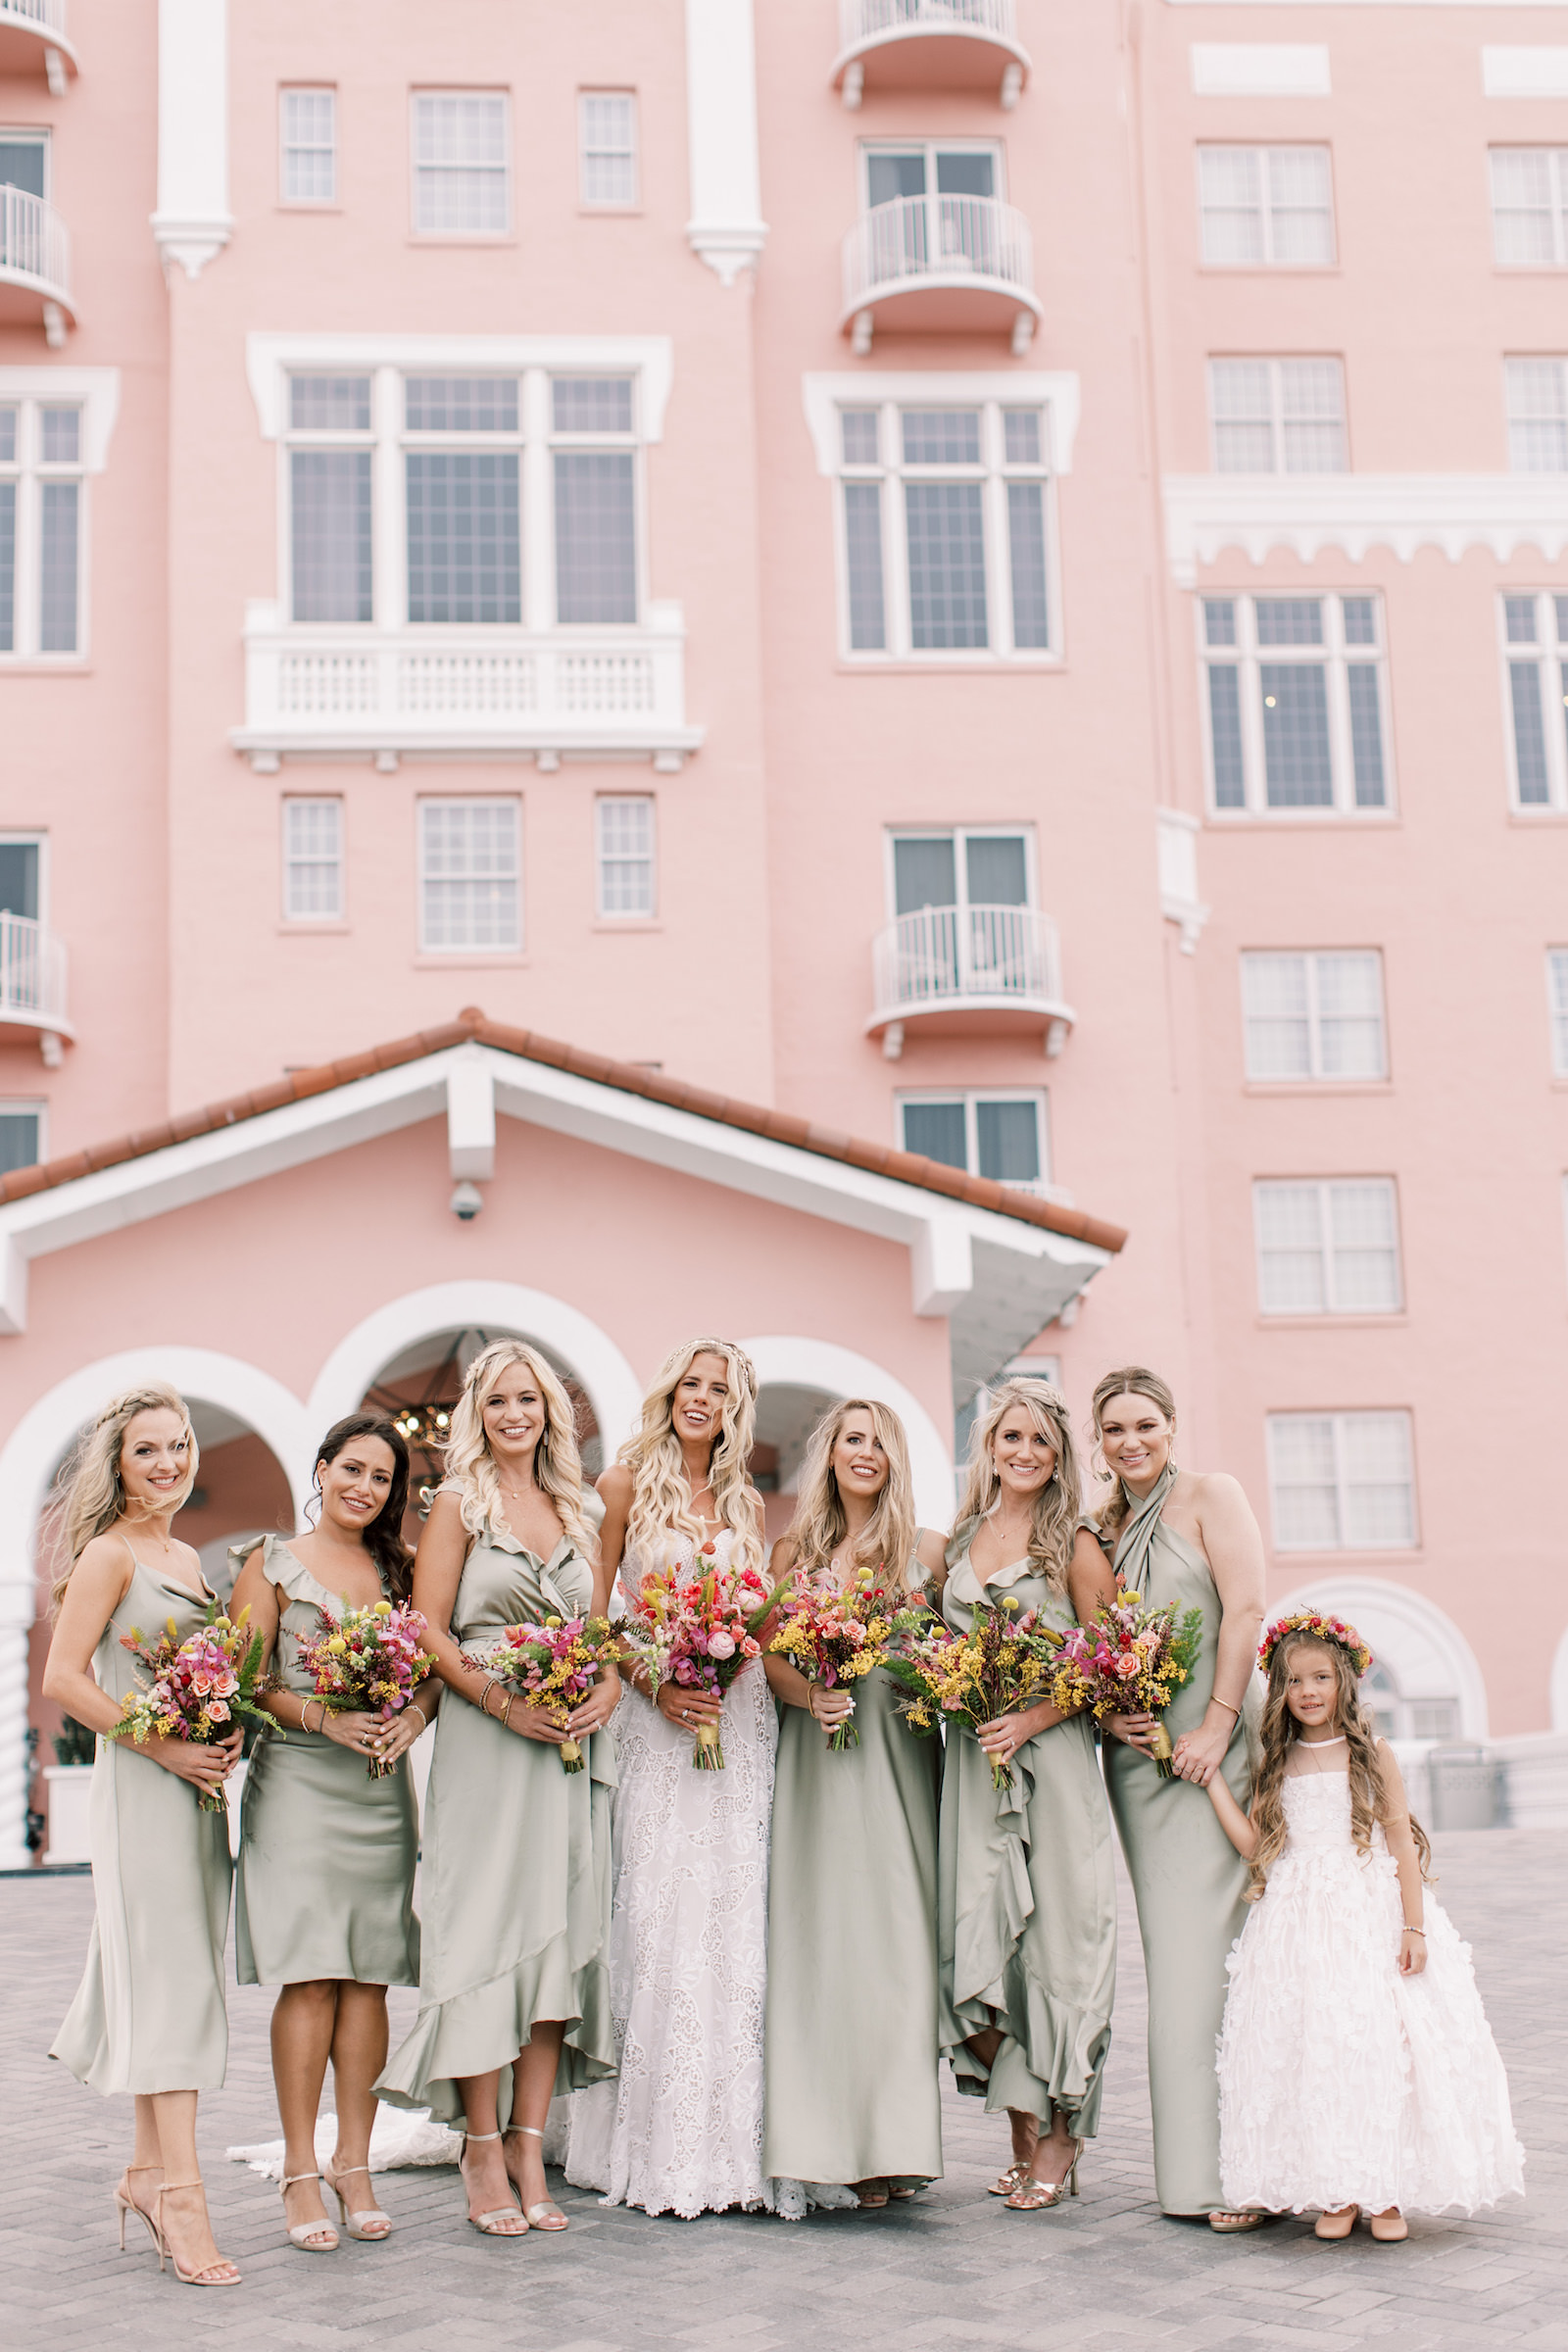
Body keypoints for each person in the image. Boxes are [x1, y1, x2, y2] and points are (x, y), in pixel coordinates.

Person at [376, 1341, 619, 2237]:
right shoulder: (457, 1504)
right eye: (497, 1401)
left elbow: (600, 1630)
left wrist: (606, 1683)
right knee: (481, 1937)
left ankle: (527, 2140)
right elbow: (429, 1630)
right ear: (476, 1414)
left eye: (529, 1398)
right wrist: (500, 1703)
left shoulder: (581, 1506)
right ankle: (480, 2147)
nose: (514, 1414)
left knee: (553, 1938)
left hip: (565, 1752)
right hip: (488, 1744)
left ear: (550, 1409)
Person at [1209, 1611, 1524, 2236]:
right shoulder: (1277, 1759)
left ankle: (1385, 2193)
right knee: (1318, 2048)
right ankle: (1337, 2191)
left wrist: (1413, 1928)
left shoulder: (1370, 1752)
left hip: (1366, 1912)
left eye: (1321, 1677)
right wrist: (1213, 1781)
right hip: (1298, 1921)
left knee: (1377, 2042)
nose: (1308, 1691)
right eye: (1295, 1681)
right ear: (1280, 1689)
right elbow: (1255, 1845)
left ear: (1344, 1680)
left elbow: (1401, 1841)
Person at [562, 1337, 784, 2218]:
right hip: (657, 1729)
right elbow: (592, 1618)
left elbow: (757, 1616)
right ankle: (641, 2140)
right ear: (669, 1394)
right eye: (691, 1385)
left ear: (738, 1407)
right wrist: (659, 1686)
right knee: (656, 1912)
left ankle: (732, 2140)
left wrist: (733, 1661)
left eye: (719, 1390)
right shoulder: (621, 1487)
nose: (702, 1400)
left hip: (739, 1727)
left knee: (733, 1914)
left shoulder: (747, 1503)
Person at [44, 1384, 242, 2287]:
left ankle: (144, 2174)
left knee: (181, 1978)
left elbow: (193, 1674)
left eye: (177, 1446)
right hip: (145, 1792)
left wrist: (226, 1731)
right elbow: (64, 1678)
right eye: (146, 1451)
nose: (167, 1463)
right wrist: (166, 1747)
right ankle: (184, 2201)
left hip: (196, 1798)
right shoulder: (111, 1554)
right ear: (118, 1466)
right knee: (170, 1991)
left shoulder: (186, 1554)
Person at [231, 1413, 434, 2253]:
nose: (364, 1487)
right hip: (299, 1789)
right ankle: (300, 2168)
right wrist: (323, 1717)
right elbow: (246, 1682)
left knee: (370, 1978)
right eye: (352, 1468)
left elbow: (434, 1674)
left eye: (382, 1478)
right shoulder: (269, 1561)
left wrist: (413, 1719)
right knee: (310, 1976)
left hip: (380, 1790)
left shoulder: (406, 1570)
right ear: (321, 1469)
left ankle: (356, 2163)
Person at [925, 1379, 1117, 2214]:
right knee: (988, 1940)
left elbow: (1114, 1663)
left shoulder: (1072, 1542)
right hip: (975, 1765)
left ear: (1058, 1453)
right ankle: (1020, 2134)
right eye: (1011, 1439)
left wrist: (1033, 1718)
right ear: (989, 1448)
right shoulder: (962, 1539)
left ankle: (1062, 2139)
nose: (1025, 1453)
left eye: (1040, 1441)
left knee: (1062, 1943)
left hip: (1054, 1759)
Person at [1079, 1366, 1265, 2228]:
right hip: (1146, 1767)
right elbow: (1099, 1643)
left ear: (1172, 1425)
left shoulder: (1211, 1496)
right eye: (1114, 1429)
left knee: (1250, 1953)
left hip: (1221, 1744)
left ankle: (1265, 2161)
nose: (1131, 1442)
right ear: (1099, 1440)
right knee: (1182, 1962)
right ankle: (1201, 2177)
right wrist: (1115, 1713)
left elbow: (1244, 1610)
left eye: (1144, 1424)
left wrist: (1220, 1729)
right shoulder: (1101, 1529)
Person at [761, 1398, 942, 2206]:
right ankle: (832, 2145)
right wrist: (809, 1695)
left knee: (895, 1948)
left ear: (896, 1459)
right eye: (852, 1439)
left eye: (880, 1442)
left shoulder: (922, 1551)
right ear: (829, 1453)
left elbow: (947, 1657)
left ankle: (896, 2144)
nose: (866, 1453)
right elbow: (764, 1660)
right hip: (817, 1764)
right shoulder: (794, 1550)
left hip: (897, 1762)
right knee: (824, 1946)